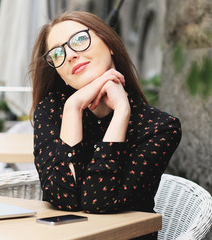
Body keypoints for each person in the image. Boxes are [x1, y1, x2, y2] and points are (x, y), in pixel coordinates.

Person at [29, 11, 182, 238]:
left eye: (79, 40)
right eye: (58, 53)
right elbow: (62, 198)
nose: (69, 55)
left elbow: (98, 202)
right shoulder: (53, 110)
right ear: (60, 74)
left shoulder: (159, 127)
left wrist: (121, 112)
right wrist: (73, 109)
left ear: (109, 44)